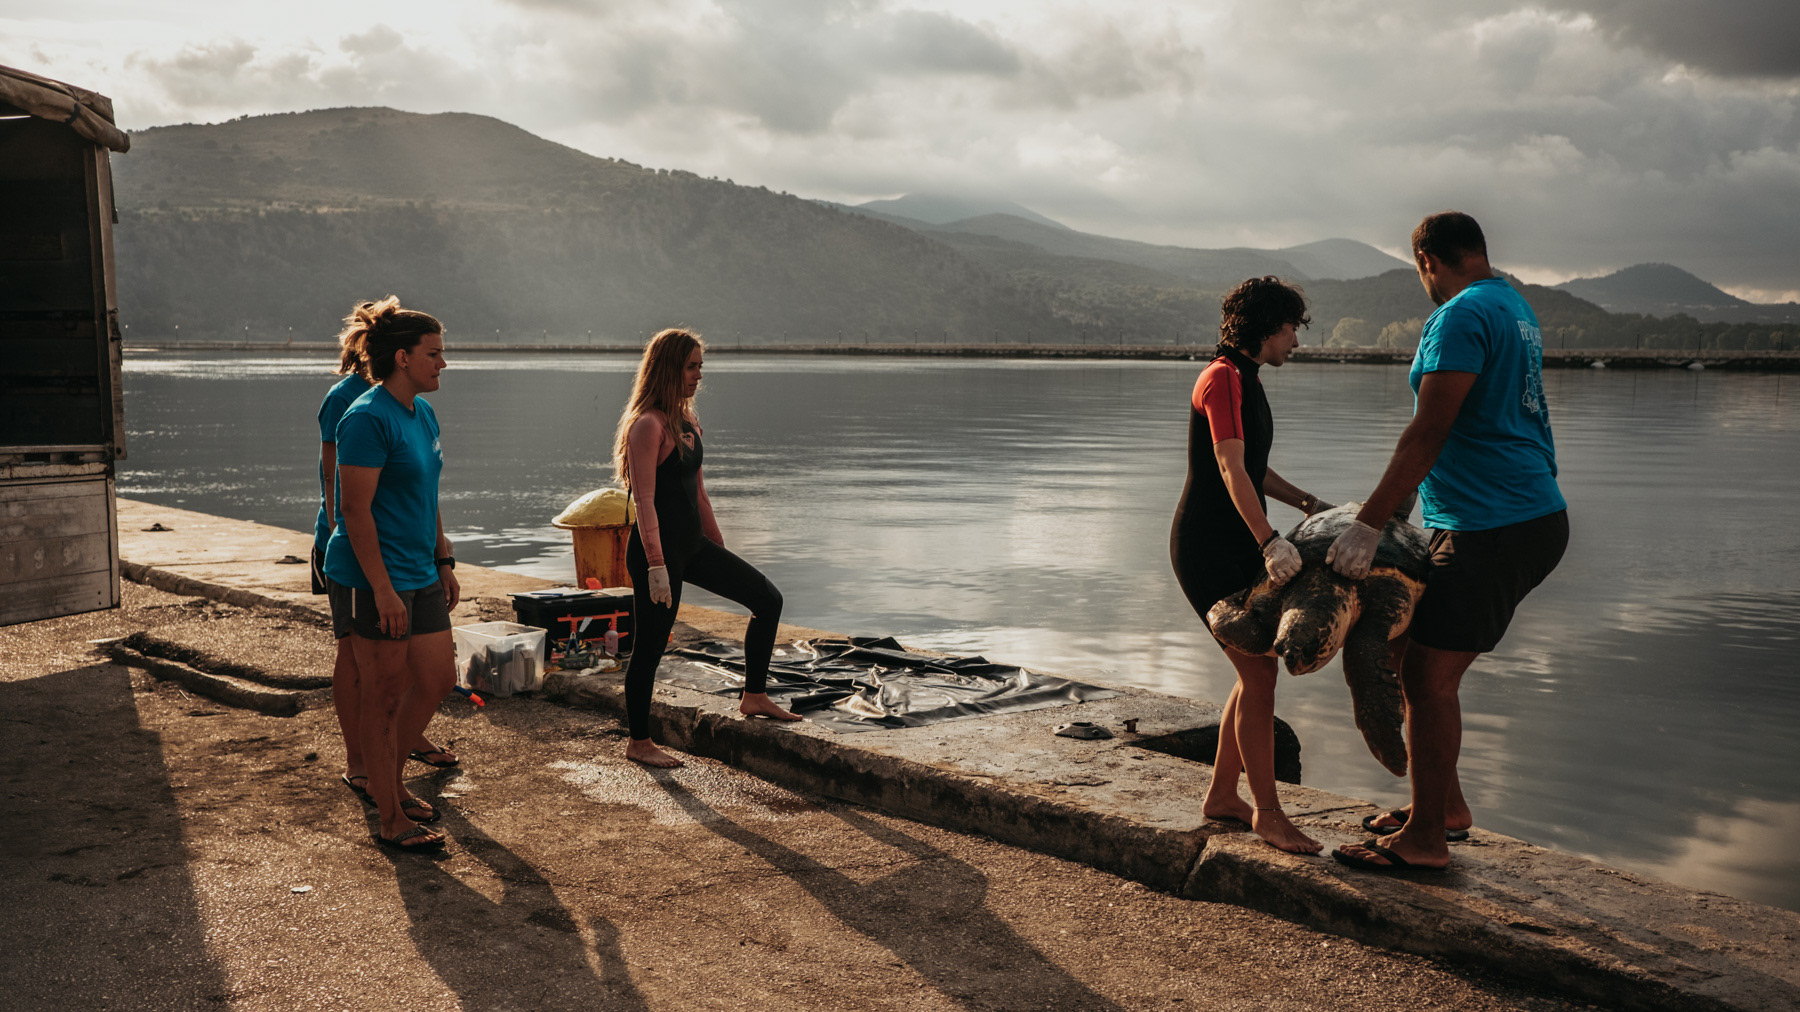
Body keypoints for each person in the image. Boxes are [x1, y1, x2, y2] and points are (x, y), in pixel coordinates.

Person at [1327, 212, 1568, 873]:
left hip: (1495, 522)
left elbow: (1430, 429)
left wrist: (1369, 522)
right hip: (1507, 514)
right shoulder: (1513, 306)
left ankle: (1426, 841)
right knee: (1405, 644)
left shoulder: (1460, 315)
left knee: (1428, 678)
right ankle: (1443, 807)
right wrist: (1404, 509)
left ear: (1428, 261)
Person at [1171, 277, 1336, 854]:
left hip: (1240, 541)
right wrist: (1270, 541)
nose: (1296, 341)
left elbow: (1255, 466)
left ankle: (1223, 795)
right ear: (1268, 327)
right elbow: (1228, 468)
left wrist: (1308, 503)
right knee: (1260, 674)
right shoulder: (1220, 377)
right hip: (1206, 547)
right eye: (1291, 329)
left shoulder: (1247, 378)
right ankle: (1268, 814)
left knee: (1256, 672)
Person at [612, 328, 800, 768]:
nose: (698, 375)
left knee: (767, 599)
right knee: (650, 648)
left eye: (700, 366)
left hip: (692, 546)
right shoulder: (647, 425)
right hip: (656, 555)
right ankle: (639, 741)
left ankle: (754, 695)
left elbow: (698, 494)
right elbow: (644, 501)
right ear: (668, 369)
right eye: (690, 367)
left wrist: (718, 547)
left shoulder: (689, 423)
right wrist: (656, 565)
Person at [321, 297, 460, 852]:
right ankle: (390, 817)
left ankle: (390, 783)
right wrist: (382, 589)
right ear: (403, 358)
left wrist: (442, 559)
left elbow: (428, 492)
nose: (443, 363)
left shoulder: (422, 413)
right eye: (434, 353)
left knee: (437, 678)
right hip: (369, 577)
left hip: (420, 569)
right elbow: (353, 511)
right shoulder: (366, 418)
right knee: (381, 694)